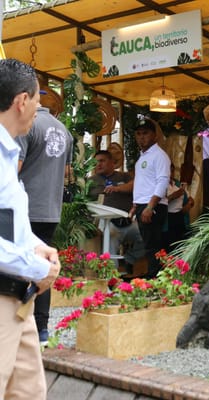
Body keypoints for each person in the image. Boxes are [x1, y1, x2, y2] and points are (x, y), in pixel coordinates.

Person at [0, 58, 61, 399]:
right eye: (38, 100)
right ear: (22, 101)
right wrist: (38, 268)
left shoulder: (9, 153)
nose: (39, 108)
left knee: (29, 391)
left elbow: (7, 220)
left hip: (18, 300)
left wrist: (37, 246)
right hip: (4, 295)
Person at [16, 102, 73, 346]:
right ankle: (41, 329)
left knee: (17, 266)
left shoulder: (26, 125)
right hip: (51, 209)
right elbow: (67, 173)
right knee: (43, 266)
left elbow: (12, 169)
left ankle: (18, 326)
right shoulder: (65, 131)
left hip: (25, 208)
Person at [89, 150, 145, 274]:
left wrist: (117, 188)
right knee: (110, 241)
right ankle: (111, 276)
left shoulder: (124, 177)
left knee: (146, 236)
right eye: (96, 162)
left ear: (112, 162)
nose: (98, 164)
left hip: (128, 221)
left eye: (102, 161)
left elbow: (136, 185)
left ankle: (129, 259)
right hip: (107, 222)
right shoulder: (91, 181)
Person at [130, 118, 170, 278]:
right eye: (138, 134)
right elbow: (143, 183)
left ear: (155, 135)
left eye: (145, 133)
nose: (141, 137)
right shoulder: (143, 157)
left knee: (153, 245)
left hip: (152, 205)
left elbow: (163, 181)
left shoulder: (159, 155)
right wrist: (135, 205)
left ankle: (155, 277)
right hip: (142, 204)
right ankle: (153, 275)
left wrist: (150, 206)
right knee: (148, 244)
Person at [163, 163, 195, 252]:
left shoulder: (178, 184)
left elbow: (191, 200)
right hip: (168, 218)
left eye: (172, 171)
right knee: (169, 245)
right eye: (168, 171)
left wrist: (189, 204)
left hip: (180, 216)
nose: (170, 173)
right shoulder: (161, 185)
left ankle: (180, 264)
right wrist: (174, 195)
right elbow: (160, 202)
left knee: (180, 244)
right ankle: (168, 264)